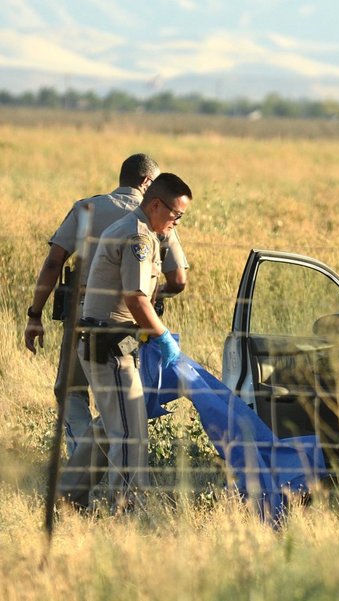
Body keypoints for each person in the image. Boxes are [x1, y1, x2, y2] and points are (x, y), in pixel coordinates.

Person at [24, 154, 188, 456]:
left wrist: (35, 315)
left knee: (71, 391)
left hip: (81, 317)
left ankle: (82, 457)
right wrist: (153, 297)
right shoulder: (159, 218)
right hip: (129, 324)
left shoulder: (87, 208)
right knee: (122, 402)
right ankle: (100, 461)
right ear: (147, 182)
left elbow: (53, 263)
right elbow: (178, 280)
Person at [59, 173, 192, 510]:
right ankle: (126, 508)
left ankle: (66, 496)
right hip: (111, 347)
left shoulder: (137, 230)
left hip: (106, 342)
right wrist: (164, 340)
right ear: (156, 204)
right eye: (176, 214)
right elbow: (136, 299)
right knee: (131, 435)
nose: (177, 222)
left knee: (108, 426)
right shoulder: (138, 237)